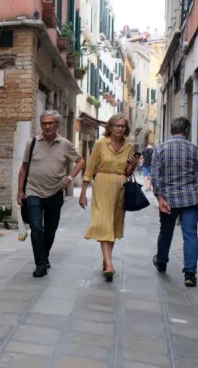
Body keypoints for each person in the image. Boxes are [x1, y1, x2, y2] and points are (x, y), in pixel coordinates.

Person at [17, 110, 86, 278]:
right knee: (36, 229)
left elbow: (81, 161)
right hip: (33, 191)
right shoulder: (32, 143)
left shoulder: (65, 144)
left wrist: (70, 177)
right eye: (44, 123)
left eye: (50, 123)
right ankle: (40, 264)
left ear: (57, 125)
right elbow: (24, 168)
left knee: (50, 230)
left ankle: (44, 256)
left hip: (55, 193)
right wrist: (20, 191)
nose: (47, 126)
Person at [151, 117, 198, 287]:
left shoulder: (160, 149)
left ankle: (162, 262)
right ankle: (190, 274)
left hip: (168, 200)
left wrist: (160, 197)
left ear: (171, 130)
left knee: (166, 232)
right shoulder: (195, 150)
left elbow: (155, 176)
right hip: (190, 199)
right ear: (187, 130)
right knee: (190, 234)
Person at [79, 113, 139, 282]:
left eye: (122, 126)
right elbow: (90, 168)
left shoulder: (129, 146)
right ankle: (110, 265)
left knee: (112, 225)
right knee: (103, 222)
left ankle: (106, 260)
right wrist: (83, 193)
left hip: (121, 186)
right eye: (117, 126)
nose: (120, 129)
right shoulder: (100, 144)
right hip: (102, 184)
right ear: (110, 127)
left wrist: (133, 165)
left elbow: (127, 173)